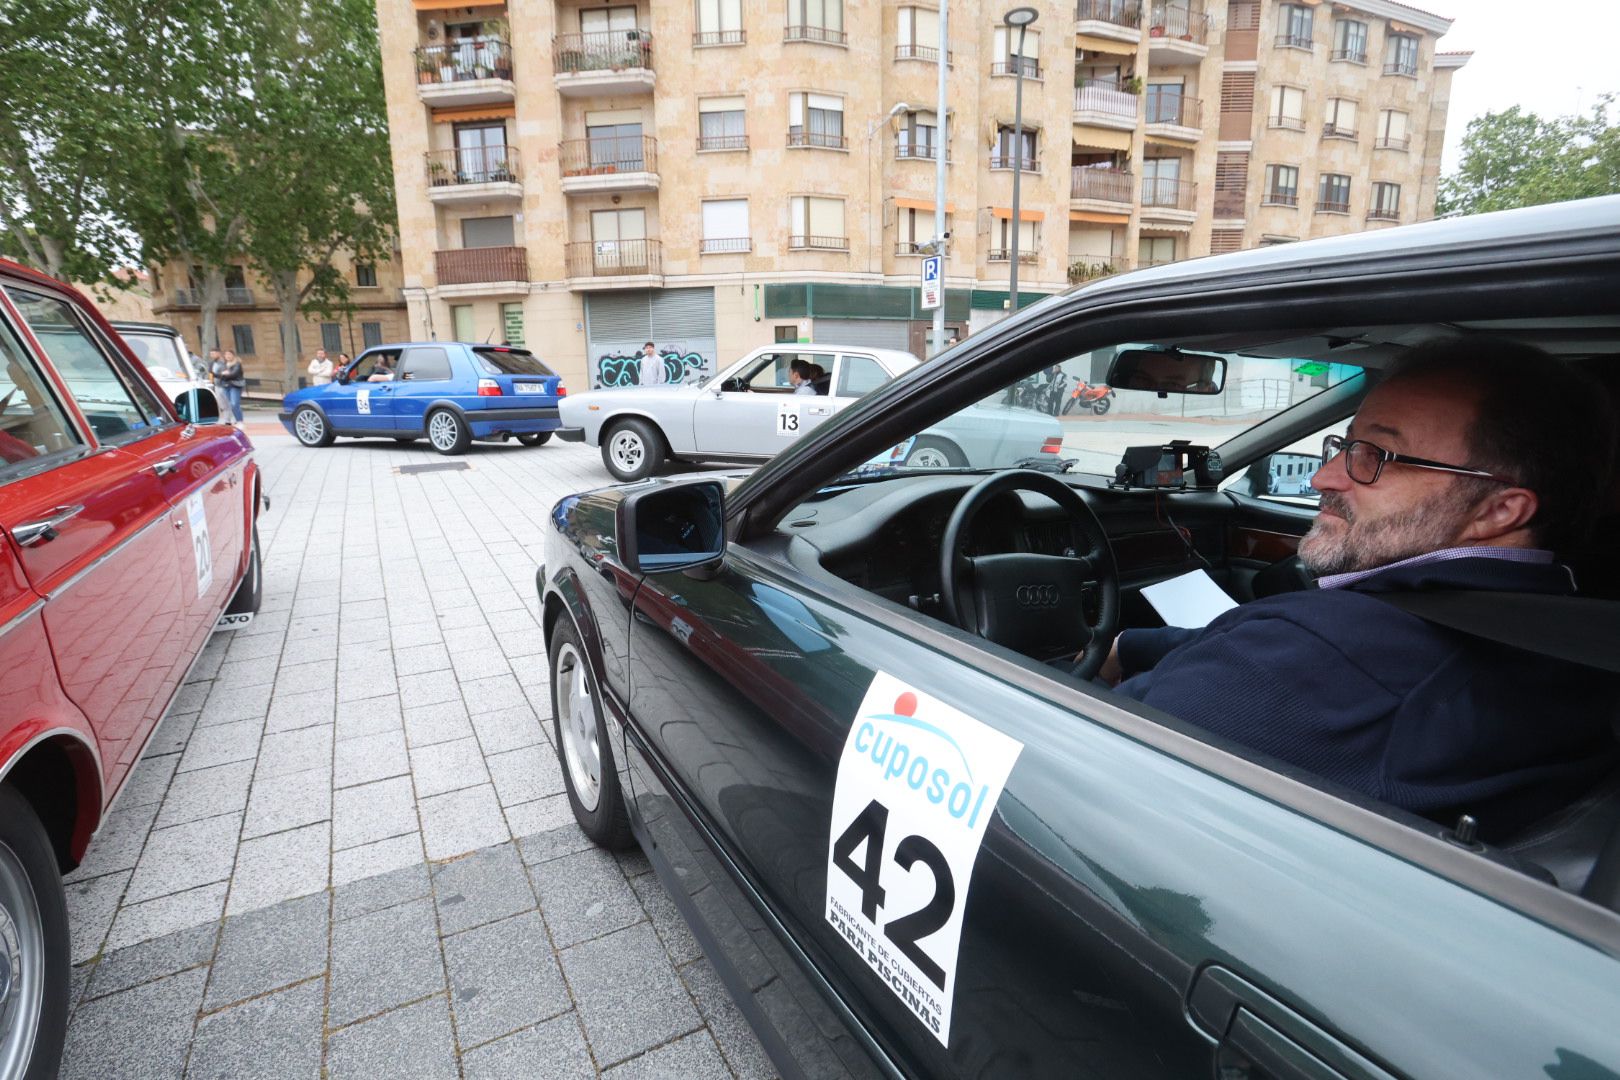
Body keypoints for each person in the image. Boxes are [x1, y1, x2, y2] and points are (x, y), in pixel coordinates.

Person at [1101, 339, 1620, 842]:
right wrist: (1130, 645)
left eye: (1378, 455)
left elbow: (1078, 763)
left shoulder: (1308, 658)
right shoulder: (1573, 627)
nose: (1323, 478)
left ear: (1499, 511)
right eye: (1345, 445)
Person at [217, 349, 246, 424]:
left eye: (229, 354)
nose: (228, 356)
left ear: (233, 355)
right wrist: (224, 374)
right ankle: (237, 420)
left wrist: (225, 374)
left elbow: (234, 374)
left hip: (235, 385)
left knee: (234, 403)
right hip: (226, 386)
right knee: (231, 404)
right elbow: (219, 375)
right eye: (226, 355)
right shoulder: (224, 364)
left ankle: (240, 420)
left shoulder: (237, 364)